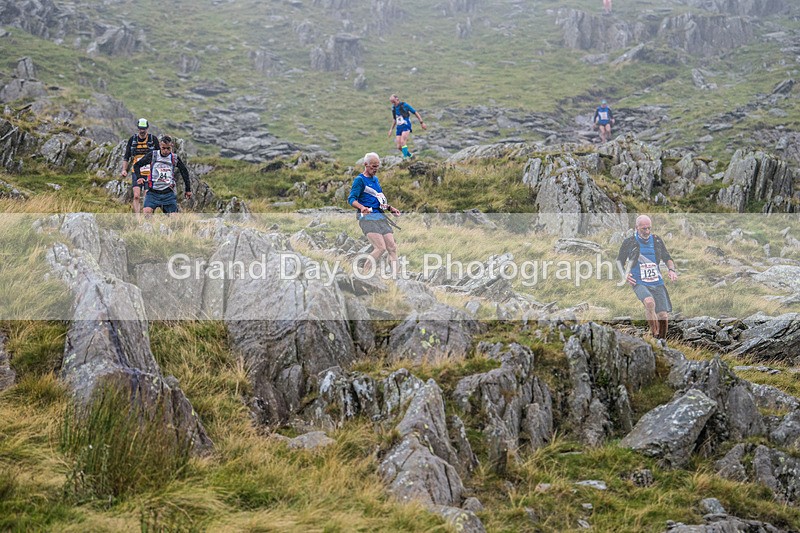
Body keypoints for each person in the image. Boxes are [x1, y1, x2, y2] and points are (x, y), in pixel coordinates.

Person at [616, 215, 678, 341]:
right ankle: (655, 336)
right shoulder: (629, 242)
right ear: (636, 228)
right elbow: (619, 261)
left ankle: (662, 341)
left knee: (663, 316)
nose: (647, 231)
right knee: (649, 303)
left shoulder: (657, 240)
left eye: (649, 228)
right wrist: (625, 274)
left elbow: (667, 258)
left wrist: (671, 270)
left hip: (657, 281)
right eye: (644, 229)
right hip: (639, 281)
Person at [348, 152, 401, 272]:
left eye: (377, 166)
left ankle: (397, 277)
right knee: (380, 248)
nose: (376, 169)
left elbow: (379, 200)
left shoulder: (376, 180)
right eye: (373, 166)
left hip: (381, 218)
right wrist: (362, 207)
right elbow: (351, 199)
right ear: (365, 165)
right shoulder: (359, 180)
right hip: (368, 219)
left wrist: (390, 208)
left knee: (392, 248)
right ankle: (365, 274)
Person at [133, 135, 191, 215]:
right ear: (160, 145)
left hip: (168, 193)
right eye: (163, 148)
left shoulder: (174, 158)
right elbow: (137, 165)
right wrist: (139, 177)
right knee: (147, 213)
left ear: (172, 146)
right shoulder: (153, 155)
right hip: (153, 193)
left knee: (175, 220)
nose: (166, 151)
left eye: (168, 148)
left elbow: (184, 171)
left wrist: (188, 189)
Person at [121, 118, 159, 215]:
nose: (142, 131)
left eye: (144, 129)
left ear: (147, 128)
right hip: (136, 171)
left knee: (147, 195)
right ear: (138, 128)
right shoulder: (132, 140)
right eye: (140, 128)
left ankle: (147, 215)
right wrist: (124, 170)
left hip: (150, 171)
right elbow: (126, 156)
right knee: (136, 196)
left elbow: (159, 155)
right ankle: (137, 218)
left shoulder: (153, 139)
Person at [388, 94, 426, 159]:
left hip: (406, 125)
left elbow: (415, 112)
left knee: (403, 142)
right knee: (399, 146)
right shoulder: (393, 108)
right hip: (399, 127)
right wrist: (391, 129)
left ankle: (405, 159)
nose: (393, 103)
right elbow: (395, 119)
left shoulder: (405, 105)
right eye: (392, 102)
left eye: (394, 101)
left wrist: (421, 122)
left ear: (397, 99)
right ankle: (410, 156)